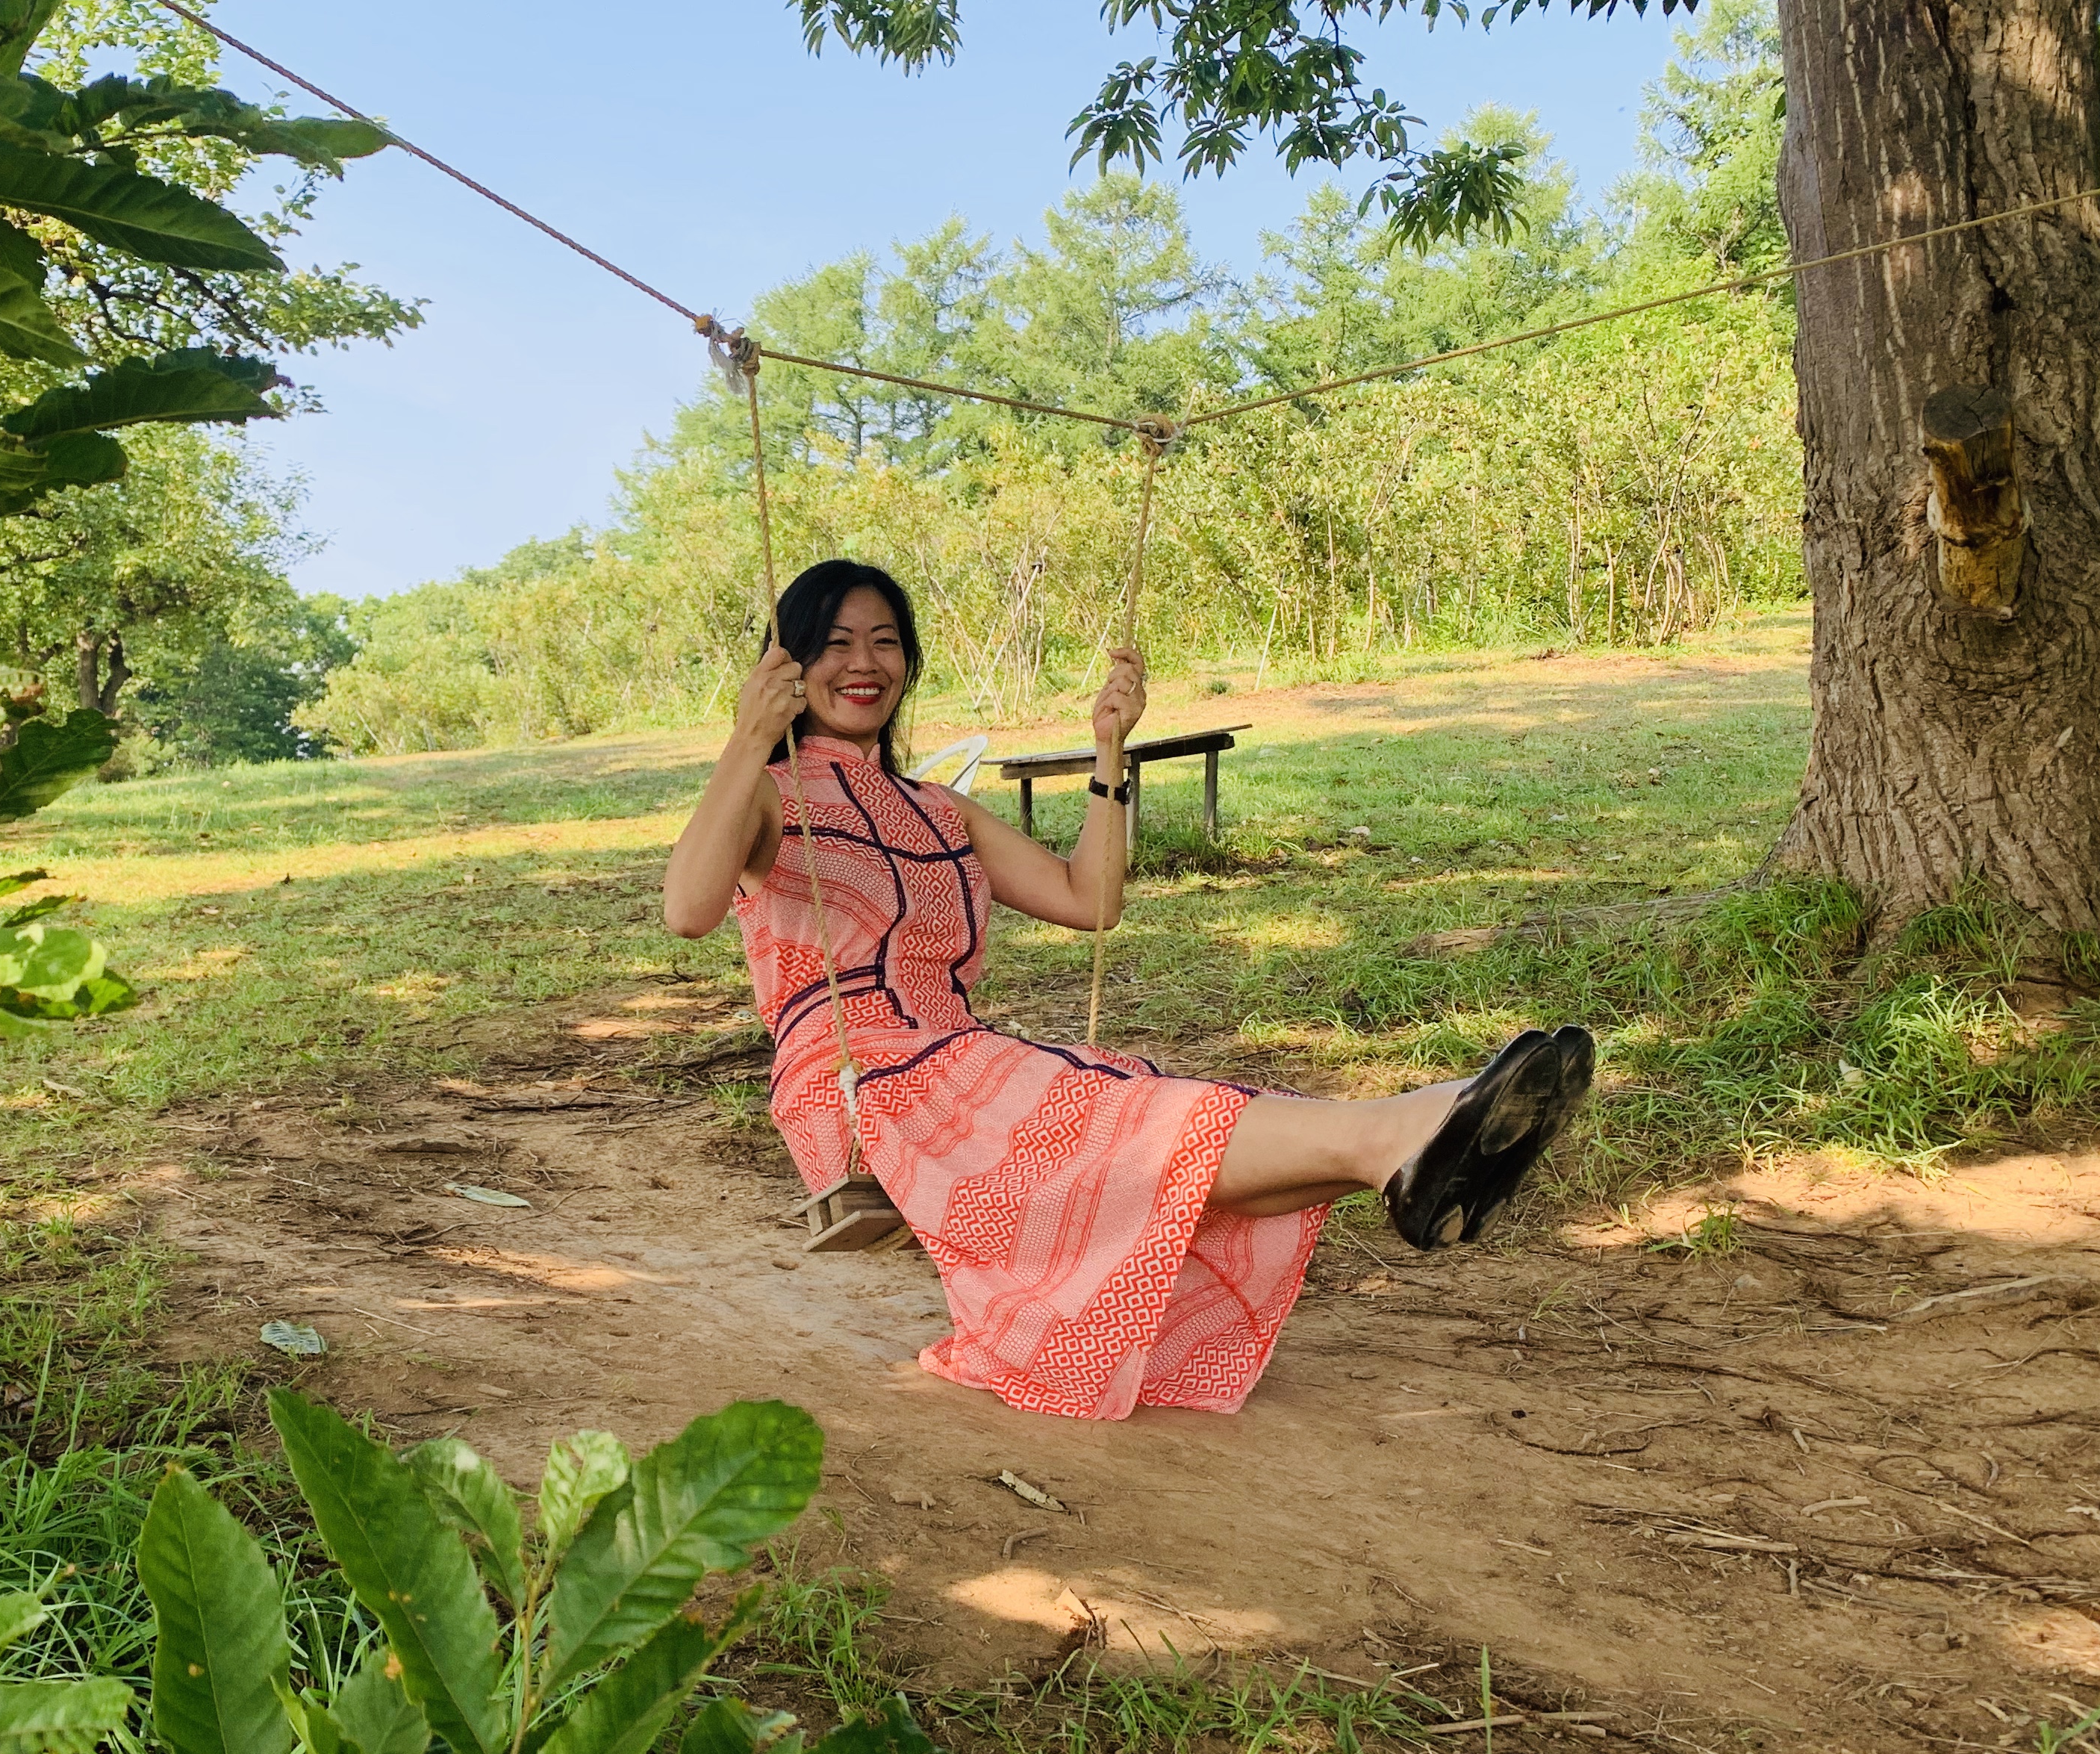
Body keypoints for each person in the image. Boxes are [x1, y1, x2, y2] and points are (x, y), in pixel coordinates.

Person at [663, 558, 1595, 1421]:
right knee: (1110, 1113)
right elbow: (690, 908)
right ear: (788, 663)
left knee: (1141, 1100)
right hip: (863, 1079)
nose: (864, 664)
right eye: (834, 643)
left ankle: (1407, 1145)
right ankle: (1418, 1123)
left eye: (885, 642)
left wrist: (1109, 748)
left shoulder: (940, 810)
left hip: (959, 1060)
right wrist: (747, 743)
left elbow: (1088, 899)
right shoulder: (770, 798)